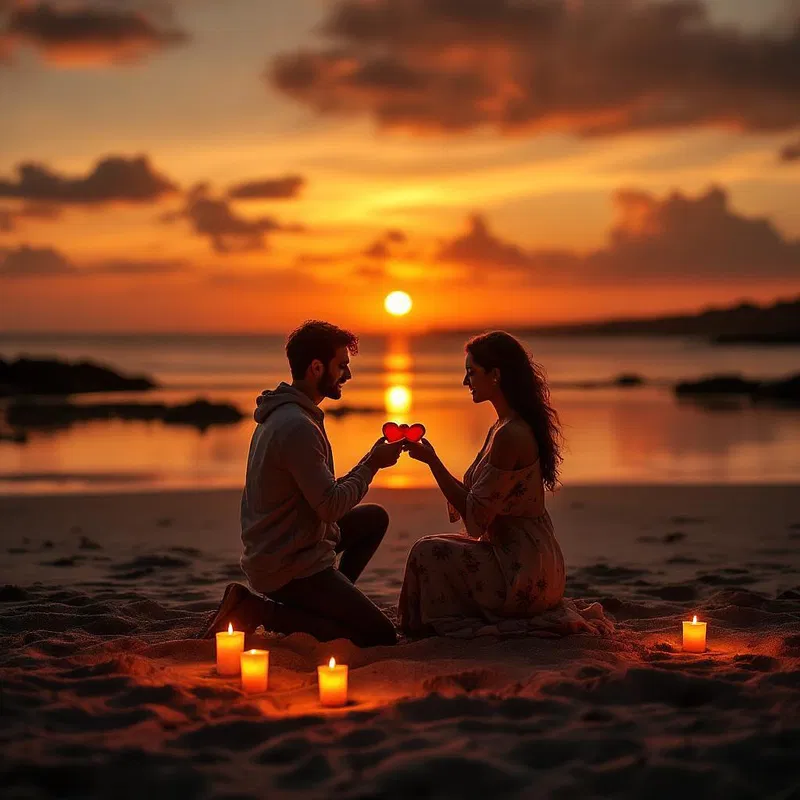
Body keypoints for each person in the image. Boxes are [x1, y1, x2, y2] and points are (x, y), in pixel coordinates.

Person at [202, 320, 402, 647]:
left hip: (294, 544)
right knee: (380, 635)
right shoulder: (296, 426)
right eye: (342, 366)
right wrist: (373, 465)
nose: (347, 375)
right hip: (287, 565)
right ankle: (254, 611)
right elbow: (331, 507)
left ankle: (334, 601)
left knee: (374, 518)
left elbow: (323, 499)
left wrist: (370, 460)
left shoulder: (290, 414)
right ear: (316, 367)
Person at [398, 331, 567, 638]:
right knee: (431, 543)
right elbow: (479, 507)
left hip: (522, 570)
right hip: (525, 555)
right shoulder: (503, 426)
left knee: (426, 552)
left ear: (496, 375)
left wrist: (433, 462)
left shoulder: (510, 434)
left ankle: (419, 629)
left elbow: (476, 521)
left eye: (471, 373)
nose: (466, 382)